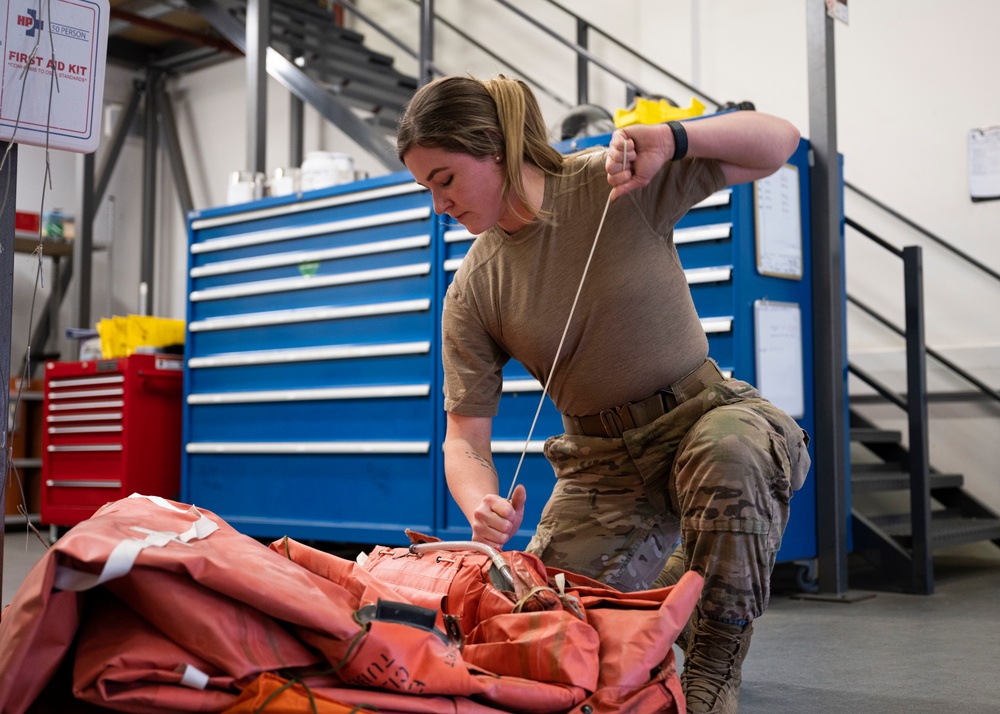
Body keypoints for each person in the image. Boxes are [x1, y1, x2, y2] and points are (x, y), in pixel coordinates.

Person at [397, 74, 811, 714]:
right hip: (600, 463)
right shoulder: (473, 289)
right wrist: (480, 502)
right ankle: (683, 582)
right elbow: (465, 438)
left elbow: (778, 142)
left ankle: (713, 663)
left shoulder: (616, 181)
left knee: (732, 455)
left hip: (707, 417)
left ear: (497, 147)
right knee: (540, 620)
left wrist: (672, 139)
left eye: (445, 179)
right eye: (425, 187)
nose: (437, 205)